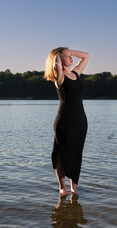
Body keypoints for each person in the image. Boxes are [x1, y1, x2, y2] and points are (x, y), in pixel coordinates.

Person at [44, 47, 89, 196]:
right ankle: (62, 187)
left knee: (77, 153)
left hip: (81, 121)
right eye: (67, 57)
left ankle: (74, 187)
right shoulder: (60, 79)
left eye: (71, 56)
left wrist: (69, 51)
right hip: (65, 122)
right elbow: (56, 66)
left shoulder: (76, 73)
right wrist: (58, 56)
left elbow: (86, 56)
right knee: (61, 154)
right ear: (59, 60)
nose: (72, 59)